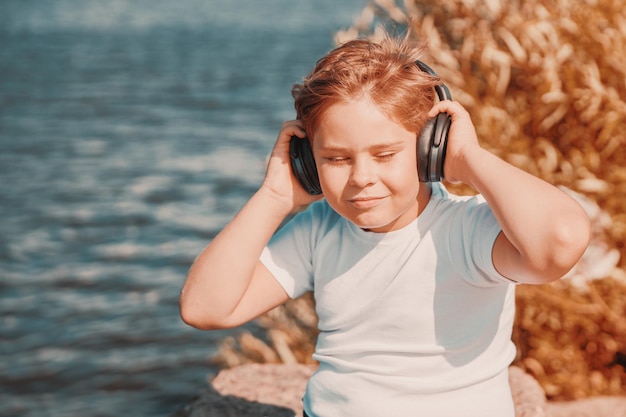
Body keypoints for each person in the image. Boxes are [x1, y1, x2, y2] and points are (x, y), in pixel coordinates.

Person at [179, 32, 591, 417]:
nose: (361, 178)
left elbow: (560, 243)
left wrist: (470, 161)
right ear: (307, 161)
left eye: (385, 154)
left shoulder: (467, 230)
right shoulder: (320, 229)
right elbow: (205, 308)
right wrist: (273, 197)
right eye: (336, 159)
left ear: (432, 146)